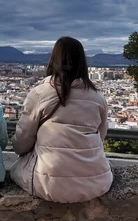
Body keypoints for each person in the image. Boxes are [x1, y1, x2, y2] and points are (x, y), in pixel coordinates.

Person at [10, 36, 113, 203]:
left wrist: (21, 151)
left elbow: (23, 139)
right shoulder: (98, 98)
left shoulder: (40, 93)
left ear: (54, 59)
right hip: (96, 181)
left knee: (15, 169)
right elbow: (100, 137)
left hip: (48, 183)